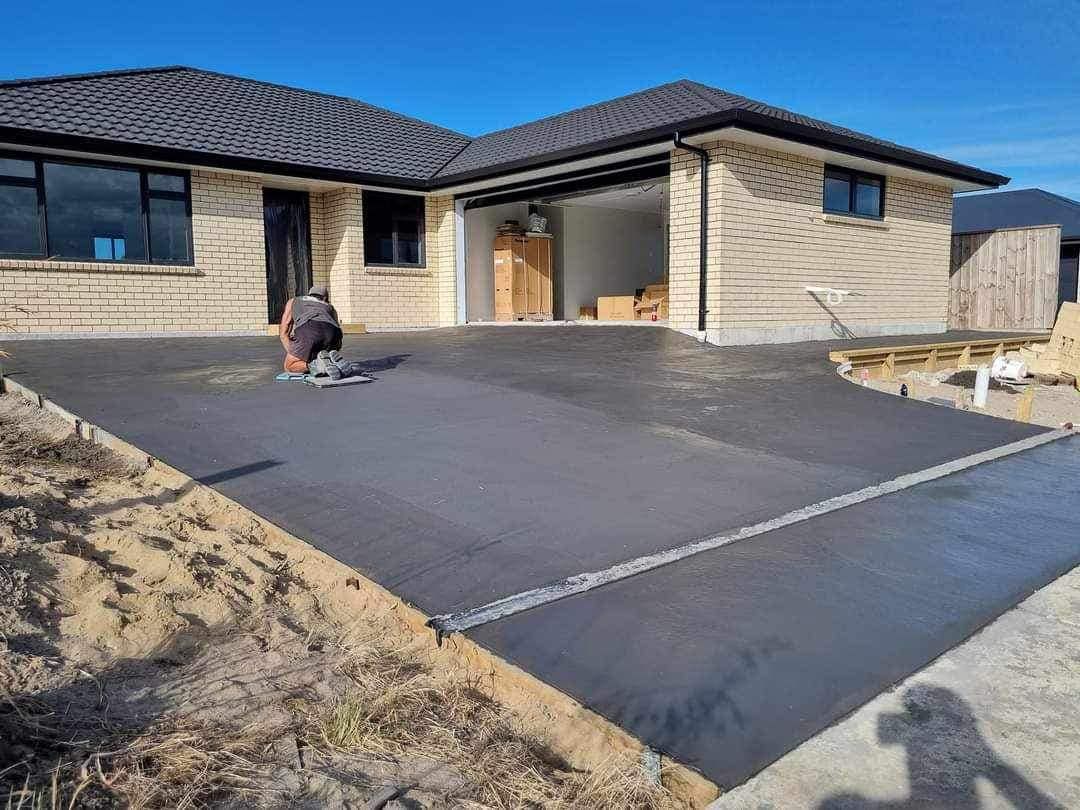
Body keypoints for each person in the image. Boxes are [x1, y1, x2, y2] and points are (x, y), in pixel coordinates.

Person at [279, 285, 345, 379]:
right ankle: (331, 362)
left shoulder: (294, 301)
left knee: (290, 366)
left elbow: (284, 332)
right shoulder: (330, 307)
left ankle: (317, 366)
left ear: (309, 294)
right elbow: (339, 337)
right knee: (320, 354)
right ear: (325, 298)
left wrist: (294, 351)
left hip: (310, 329)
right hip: (333, 332)